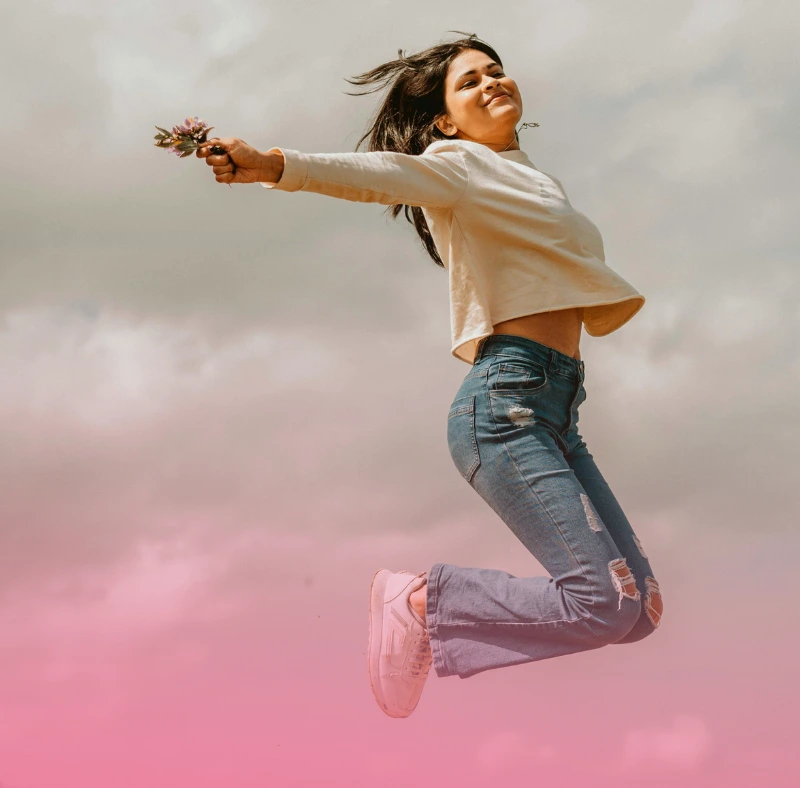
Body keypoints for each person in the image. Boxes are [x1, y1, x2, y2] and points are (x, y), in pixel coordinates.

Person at [197, 32, 663, 719]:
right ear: (444, 120)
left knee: (638, 610)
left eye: (496, 72)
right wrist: (271, 164)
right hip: (507, 407)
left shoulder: (528, 176)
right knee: (604, 602)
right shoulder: (456, 165)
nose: (491, 83)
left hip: (555, 409)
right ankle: (419, 600)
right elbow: (378, 174)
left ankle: (431, 619)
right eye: (469, 82)